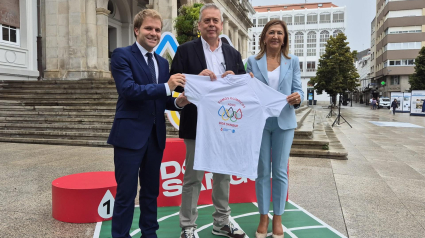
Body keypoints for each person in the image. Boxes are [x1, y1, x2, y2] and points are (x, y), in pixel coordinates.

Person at [107, 9, 190, 238]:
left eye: (157, 29)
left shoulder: (162, 64)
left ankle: (149, 233)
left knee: (151, 192)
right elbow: (128, 90)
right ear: (136, 30)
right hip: (129, 135)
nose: (153, 33)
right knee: (125, 193)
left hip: (155, 137)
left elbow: (162, 99)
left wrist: (179, 101)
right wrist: (167, 87)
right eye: (148, 28)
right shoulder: (122, 55)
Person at [170, 3, 246, 238]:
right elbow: (174, 84)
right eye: (207, 21)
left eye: (215, 21)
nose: (211, 25)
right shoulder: (185, 51)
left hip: (226, 125)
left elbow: (244, 88)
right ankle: (188, 227)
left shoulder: (233, 54)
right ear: (199, 25)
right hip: (196, 124)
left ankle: (222, 221)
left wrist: (236, 79)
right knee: (193, 177)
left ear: (221, 25)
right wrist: (194, 80)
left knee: (223, 175)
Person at [246, 19, 303, 238]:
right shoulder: (252, 61)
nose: (275, 36)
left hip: (284, 122)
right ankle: (263, 218)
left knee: (279, 172)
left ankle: (278, 218)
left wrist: (297, 98)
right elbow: (249, 92)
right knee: (262, 172)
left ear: (284, 38)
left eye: (279, 33)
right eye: (271, 32)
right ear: (263, 37)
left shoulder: (293, 61)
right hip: (260, 123)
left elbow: (298, 90)